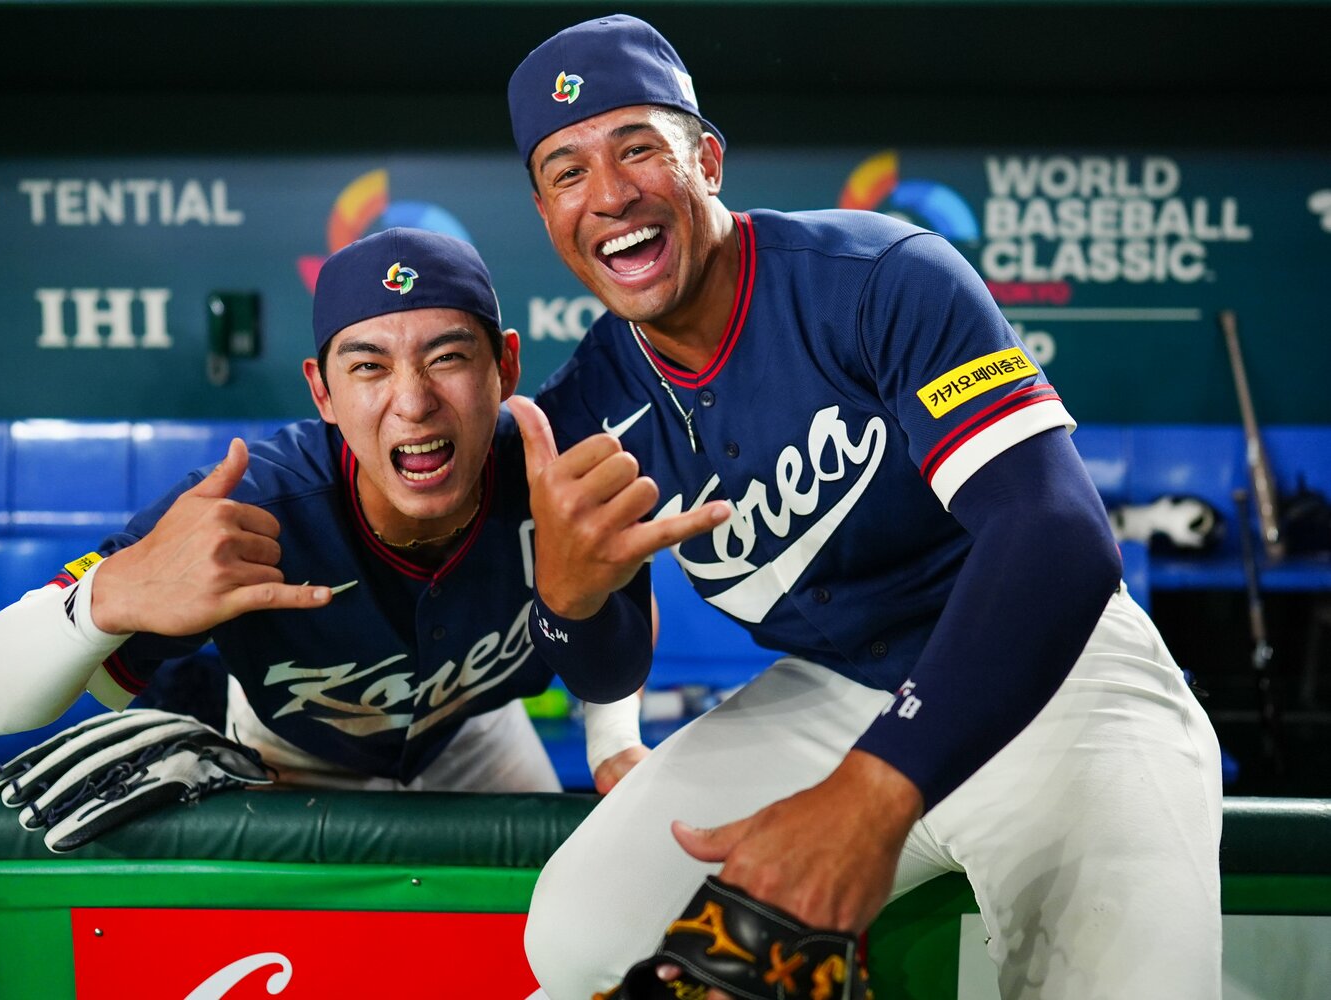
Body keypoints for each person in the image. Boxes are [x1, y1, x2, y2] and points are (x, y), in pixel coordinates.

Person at [506, 15, 1223, 999]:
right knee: (578, 934)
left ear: (707, 160)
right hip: (836, 687)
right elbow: (607, 663)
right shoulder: (584, 408)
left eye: (640, 149)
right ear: (545, 213)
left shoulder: (874, 279)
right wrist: (570, 602)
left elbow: (1054, 531)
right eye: (567, 171)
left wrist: (876, 785)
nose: (612, 193)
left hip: (1051, 669)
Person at [0, 227, 644, 796]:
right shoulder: (255, 505)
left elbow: (612, 631)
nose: (413, 401)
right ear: (323, 394)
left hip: (476, 739)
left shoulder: (551, 476)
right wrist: (111, 595)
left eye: (449, 356)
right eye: (368, 367)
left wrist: (615, 743)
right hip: (290, 761)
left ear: (506, 367)